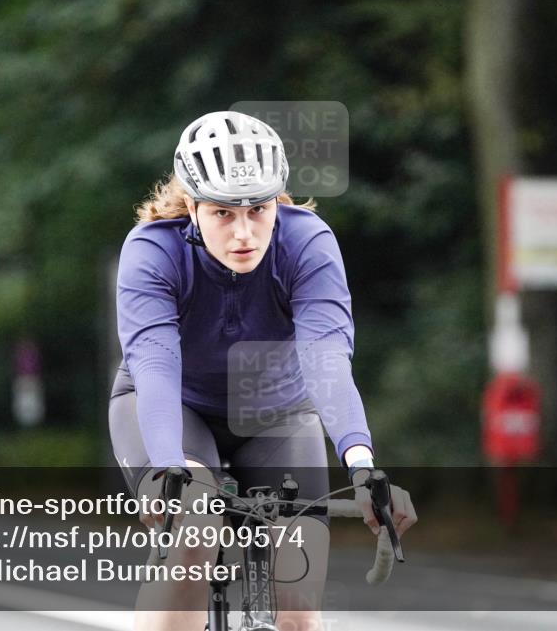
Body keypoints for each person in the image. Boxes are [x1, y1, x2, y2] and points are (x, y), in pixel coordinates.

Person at [109, 111, 416, 631]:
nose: (244, 232)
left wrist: (362, 466)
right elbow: (157, 366)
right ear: (192, 206)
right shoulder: (152, 251)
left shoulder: (306, 243)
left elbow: (325, 360)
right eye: (222, 213)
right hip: (174, 406)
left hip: (276, 411)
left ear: (279, 199)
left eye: (258, 208)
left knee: (299, 610)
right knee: (195, 531)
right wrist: (167, 467)